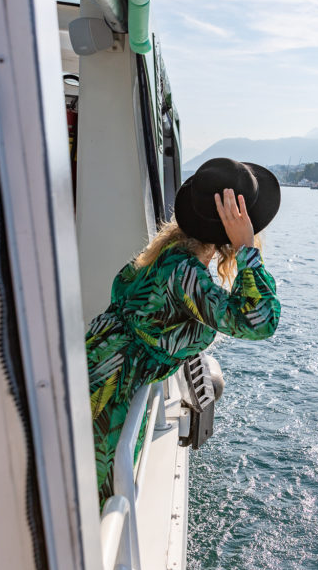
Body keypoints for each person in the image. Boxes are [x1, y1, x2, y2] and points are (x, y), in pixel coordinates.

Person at [86, 158, 281, 502]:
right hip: (110, 394)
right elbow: (259, 320)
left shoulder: (168, 254)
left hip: (94, 370)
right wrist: (247, 249)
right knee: (96, 505)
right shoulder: (186, 274)